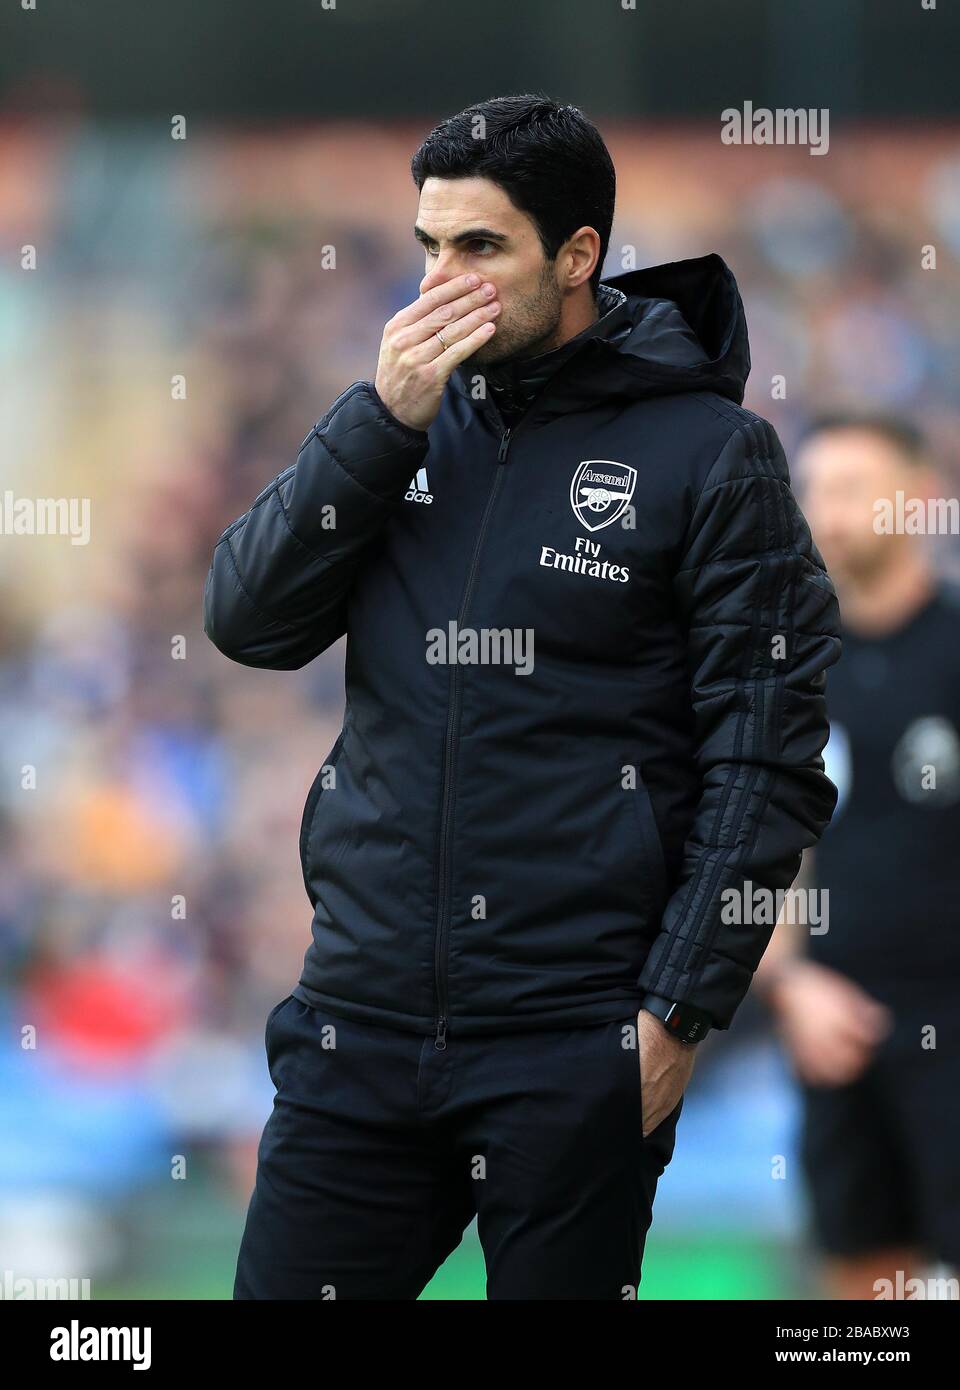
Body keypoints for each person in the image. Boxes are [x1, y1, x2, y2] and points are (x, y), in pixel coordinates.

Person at [203, 94, 841, 1300]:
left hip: (575, 1040)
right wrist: (376, 424)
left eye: (481, 249)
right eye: (428, 248)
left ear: (579, 254)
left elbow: (768, 763)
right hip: (361, 1025)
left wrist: (675, 1016)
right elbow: (246, 622)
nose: (440, 283)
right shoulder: (396, 425)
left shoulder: (708, 453)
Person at [756, 413, 960, 1300]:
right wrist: (790, 983)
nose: (825, 514)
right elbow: (760, 852)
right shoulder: (782, 667)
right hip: (835, 1029)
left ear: (918, 502)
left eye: (850, 490)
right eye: (813, 493)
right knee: (863, 1282)